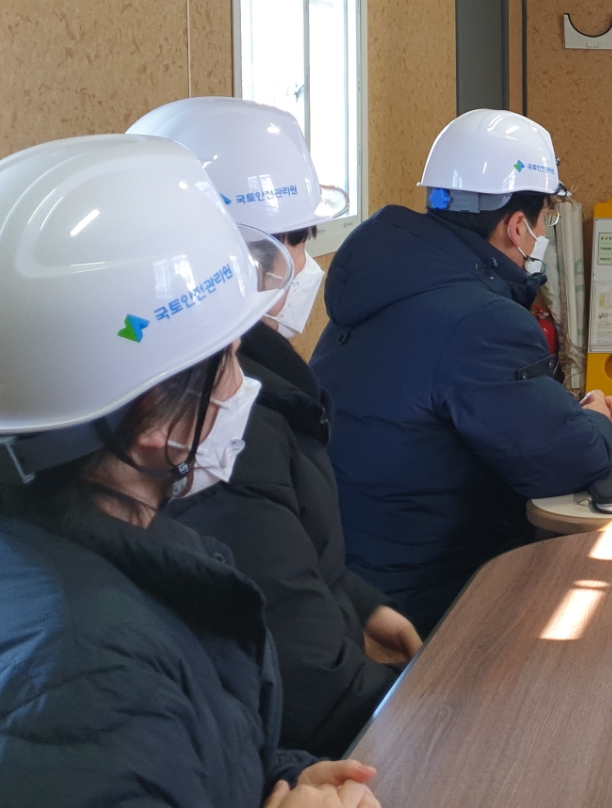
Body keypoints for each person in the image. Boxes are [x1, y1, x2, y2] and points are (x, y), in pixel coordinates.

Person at [0, 134, 378, 806]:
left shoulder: (0, 543)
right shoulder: (80, 686)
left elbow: (186, 749)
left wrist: (278, 779)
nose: (242, 386)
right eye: (227, 362)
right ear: (156, 422)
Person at [130, 96, 422, 756]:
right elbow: (308, 681)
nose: (304, 265)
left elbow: (282, 557)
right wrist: (420, 714)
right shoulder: (221, 415)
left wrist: (360, 604)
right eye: (294, 240)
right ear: (235, 257)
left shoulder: (256, 385)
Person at [312, 109, 612, 636]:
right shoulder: (480, 320)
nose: (544, 231)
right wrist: (592, 418)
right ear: (517, 225)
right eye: (545, 217)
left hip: (355, 576)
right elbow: (566, 458)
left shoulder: (388, 282)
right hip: (431, 591)